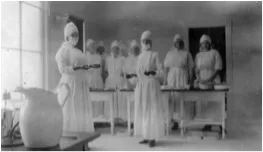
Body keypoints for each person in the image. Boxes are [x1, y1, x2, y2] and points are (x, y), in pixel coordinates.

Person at [55, 22, 94, 132]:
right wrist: (75, 69)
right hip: (70, 85)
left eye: (77, 35)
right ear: (67, 37)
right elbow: (62, 69)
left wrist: (88, 68)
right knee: (71, 109)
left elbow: (83, 66)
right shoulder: (62, 51)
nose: (76, 37)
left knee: (80, 109)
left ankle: (83, 138)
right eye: (73, 35)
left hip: (80, 84)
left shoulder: (78, 51)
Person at [134, 30, 165, 147]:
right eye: (143, 41)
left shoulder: (154, 54)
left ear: (151, 42)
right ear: (141, 42)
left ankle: (152, 137)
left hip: (151, 85)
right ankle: (145, 136)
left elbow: (161, 71)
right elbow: (138, 72)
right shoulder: (140, 56)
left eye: (148, 41)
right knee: (143, 110)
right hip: (142, 86)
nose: (146, 43)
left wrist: (153, 73)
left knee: (152, 110)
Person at [163, 34, 194, 130]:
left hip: (182, 76)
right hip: (172, 77)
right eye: (177, 42)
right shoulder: (169, 53)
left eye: (180, 42)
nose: (178, 43)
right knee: (172, 99)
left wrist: (190, 80)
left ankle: (183, 122)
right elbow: (166, 68)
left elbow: (191, 68)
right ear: (174, 43)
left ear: (182, 43)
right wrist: (164, 80)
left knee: (182, 98)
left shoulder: (187, 53)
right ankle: (173, 121)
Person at [195, 34, 223, 131]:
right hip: (202, 81)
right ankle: (208, 123)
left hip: (213, 80)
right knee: (205, 102)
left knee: (215, 102)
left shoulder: (214, 53)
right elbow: (196, 69)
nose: (205, 45)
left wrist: (209, 79)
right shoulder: (198, 55)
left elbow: (217, 68)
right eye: (203, 43)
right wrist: (199, 79)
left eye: (207, 43)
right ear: (200, 45)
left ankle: (220, 123)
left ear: (209, 44)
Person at [105, 40, 126, 122]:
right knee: (111, 99)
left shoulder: (122, 59)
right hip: (110, 82)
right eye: (114, 49)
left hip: (119, 81)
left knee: (119, 99)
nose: (115, 50)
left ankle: (120, 118)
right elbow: (106, 71)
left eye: (117, 49)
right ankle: (110, 118)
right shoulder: (108, 59)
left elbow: (124, 71)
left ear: (119, 50)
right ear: (111, 49)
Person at [85, 39, 104, 118]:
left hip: (97, 80)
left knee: (99, 99)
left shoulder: (98, 57)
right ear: (88, 47)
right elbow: (86, 69)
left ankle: (99, 117)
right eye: (90, 46)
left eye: (93, 45)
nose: (92, 47)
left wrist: (91, 68)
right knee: (89, 99)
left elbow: (98, 68)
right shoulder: (84, 57)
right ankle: (90, 119)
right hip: (89, 80)